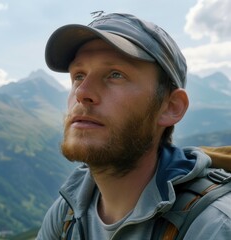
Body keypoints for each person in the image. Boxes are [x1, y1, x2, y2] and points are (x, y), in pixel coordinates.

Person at [37, 12, 231, 239]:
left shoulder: (213, 226)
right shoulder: (68, 211)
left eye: (115, 74)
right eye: (78, 76)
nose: (82, 93)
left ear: (171, 107)